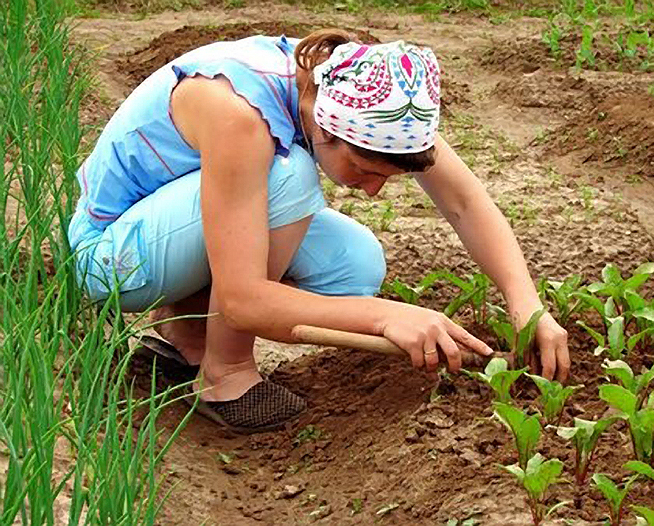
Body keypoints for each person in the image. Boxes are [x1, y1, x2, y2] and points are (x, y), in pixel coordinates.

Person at [68, 29, 569, 434]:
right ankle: (224, 374)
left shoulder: (370, 95)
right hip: (113, 259)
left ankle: (185, 336)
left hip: (175, 225)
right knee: (288, 178)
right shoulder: (242, 113)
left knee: (354, 263)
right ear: (327, 131)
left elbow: (462, 201)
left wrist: (527, 305)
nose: (372, 191)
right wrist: (383, 316)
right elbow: (242, 300)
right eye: (364, 170)